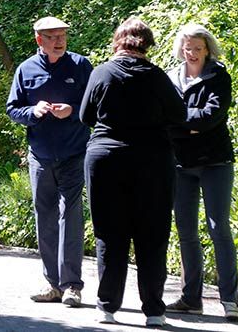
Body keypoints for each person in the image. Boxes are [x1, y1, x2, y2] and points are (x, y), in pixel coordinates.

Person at [79, 17, 186, 327]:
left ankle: (107, 306)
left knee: (110, 233)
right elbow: (179, 114)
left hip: (106, 158)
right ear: (147, 45)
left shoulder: (101, 73)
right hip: (152, 160)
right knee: (152, 235)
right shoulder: (157, 77)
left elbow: (86, 115)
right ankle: (154, 311)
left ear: (118, 43)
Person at [6, 16, 93, 307]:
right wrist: (33, 111)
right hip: (40, 156)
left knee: (70, 216)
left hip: (74, 152)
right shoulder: (25, 69)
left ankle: (72, 286)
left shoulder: (81, 66)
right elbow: (13, 109)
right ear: (39, 40)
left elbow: (95, 106)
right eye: (53, 37)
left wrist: (73, 110)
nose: (59, 41)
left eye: (63, 36)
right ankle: (52, 284)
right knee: (45, 218)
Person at [165, 24, 238, 321]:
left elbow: (211, 117)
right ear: (180, 49)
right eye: (188, 48)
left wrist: (180, 124)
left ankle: (230, 301)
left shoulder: (218, 75)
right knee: (186, 231)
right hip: (181, 163)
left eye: (198, 48)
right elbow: (165, 119)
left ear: (208, 49)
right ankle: (190, 299)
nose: (193, 53)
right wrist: (189, 127)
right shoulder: (171, 78)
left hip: (215, 162)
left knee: (218, 228)